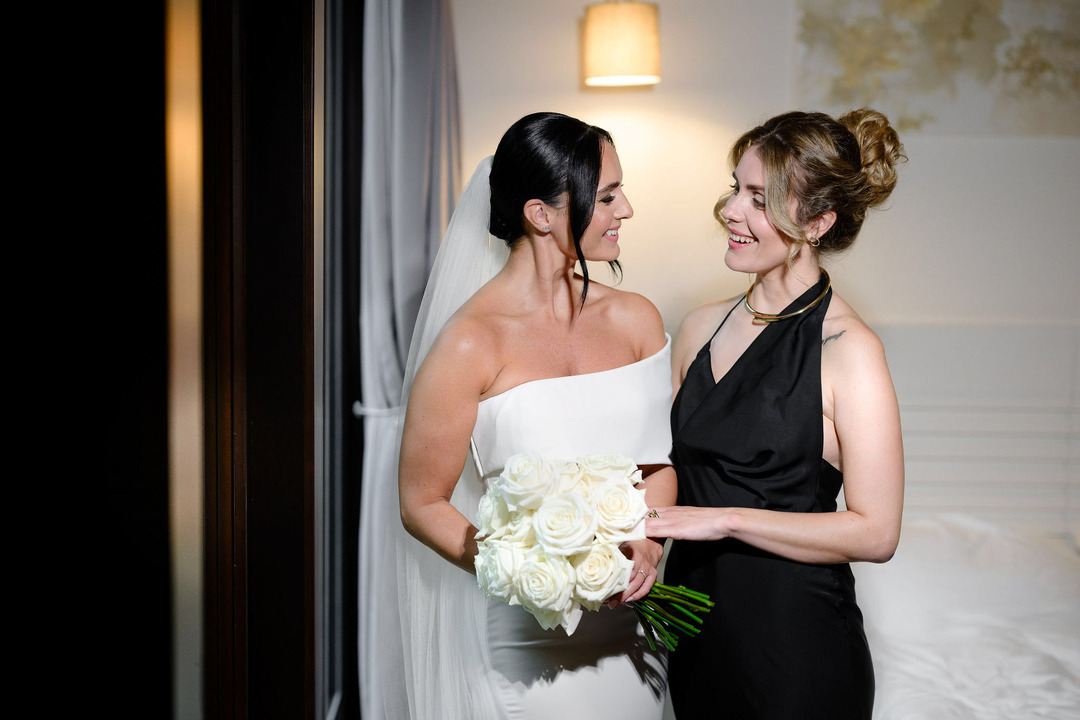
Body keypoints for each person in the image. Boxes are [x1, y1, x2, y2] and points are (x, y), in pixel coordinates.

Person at [390, 112, 677, 719]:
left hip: (627, 629)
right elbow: (421, 503)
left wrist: (648, 546)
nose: (626, 210)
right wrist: (519, 567)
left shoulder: (638, 320)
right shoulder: (468, 344)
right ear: (540, 213)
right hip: (529, 635)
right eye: (606, 196)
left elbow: (657, 462)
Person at [646, 109, 906, 720]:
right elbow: (665, 470)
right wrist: (638, 546)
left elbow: (876, 532)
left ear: (816, 222)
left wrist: (725, 520)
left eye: (760, 199)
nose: (732, 211)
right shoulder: (698, 327)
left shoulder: (848, 349)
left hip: (797, 654)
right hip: (694, 633)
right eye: (736, 187)